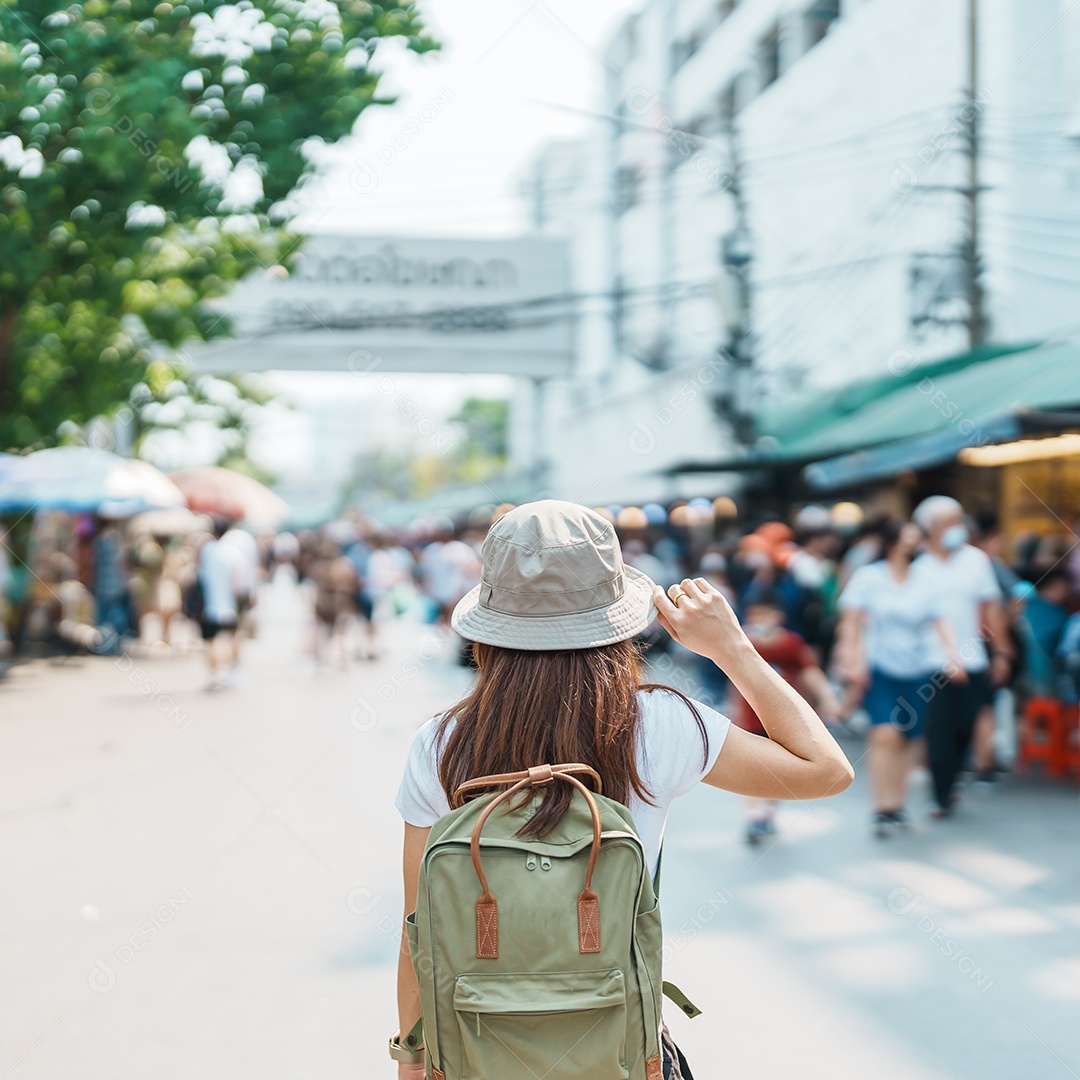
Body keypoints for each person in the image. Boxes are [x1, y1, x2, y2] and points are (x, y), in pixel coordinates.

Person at [393, 501, 854, 1079]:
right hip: (622, 1048)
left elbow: (419, 926)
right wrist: (732, 648)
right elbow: (826, 770)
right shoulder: (660, 723)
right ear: (617, 615)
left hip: (477, 1051)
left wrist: (411, 1059)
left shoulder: (441, 743)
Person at [836, 520, 960, 835]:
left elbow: (940, 619)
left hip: (918, 669)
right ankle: (881, 806)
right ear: (892, 542)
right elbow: (851, 620)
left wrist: (953, 654)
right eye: (907, 539)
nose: (912, 545)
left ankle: (897, 803)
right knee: (884, 734)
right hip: (880, 667)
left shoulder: (925, 579)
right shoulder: (870, 577)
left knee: (910, 738)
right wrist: (850, 657)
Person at [910, 496, 1013, 817]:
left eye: (959, 519)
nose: (957, 526)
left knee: (966, 725)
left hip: (974, 659)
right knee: (938, 729)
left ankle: (953, 780)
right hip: (929, 661)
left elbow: (992, 608)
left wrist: (1002, 652)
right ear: (930, 527)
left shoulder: (976, 561)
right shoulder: (918, 568)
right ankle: (940, 793)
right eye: (949, 521)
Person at [730, 590, 842, 844]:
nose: (759, 619)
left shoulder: (791, 644)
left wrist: (828, 697)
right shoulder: (743, 643)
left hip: (783, 720)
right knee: (754, 768)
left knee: (779, 770)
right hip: (750, 718)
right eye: (754, 614)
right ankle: (754, 815)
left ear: (777, 616)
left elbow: (810, 671)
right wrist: (733, 708)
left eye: (764, 614)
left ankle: (767, 811)